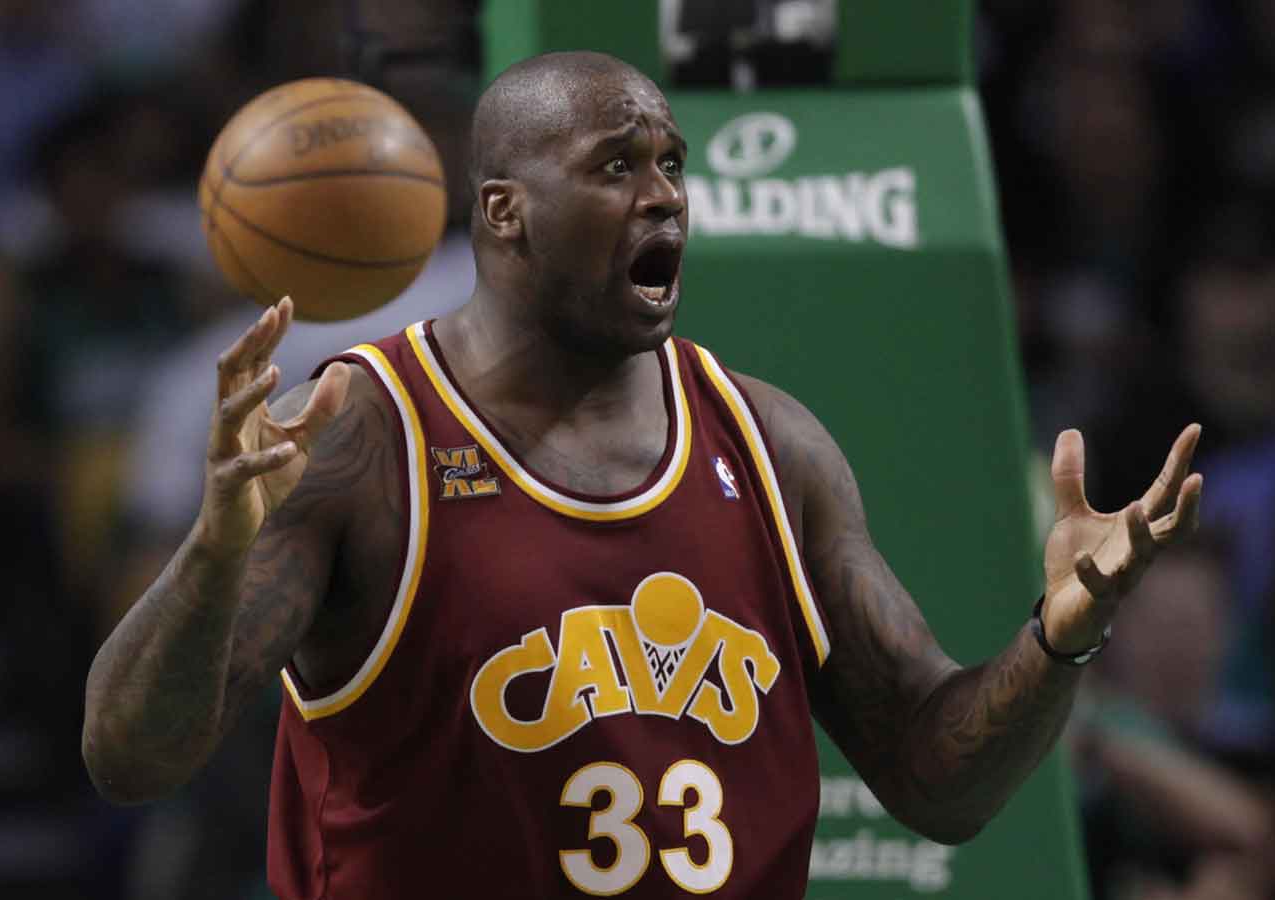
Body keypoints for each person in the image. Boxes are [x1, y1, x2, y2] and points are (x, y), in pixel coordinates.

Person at [81, 51, 1202, 898]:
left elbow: (936, 780)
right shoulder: (365, 436)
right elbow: (130, 756)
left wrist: (1059, 637)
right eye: (615, 166)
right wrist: (213, 552)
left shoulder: (770, 442)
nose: (663, 194)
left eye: (672, 163)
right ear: (505, 212)